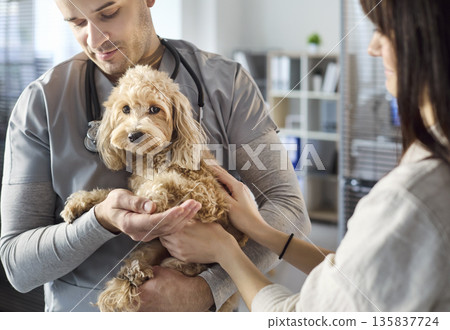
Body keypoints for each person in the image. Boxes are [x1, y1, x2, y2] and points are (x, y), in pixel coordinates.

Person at [0, 0, 309, 312]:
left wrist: (207, 287)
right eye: (77, 23)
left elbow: (290, 211)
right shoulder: (41, 102)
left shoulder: (228, 84)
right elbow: (18, 266)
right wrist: (100, 221)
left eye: (108, 13)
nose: (95, 40)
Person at [161, 0, 450, 312]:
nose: (373, 47)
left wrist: (225, 250)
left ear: (428, 39)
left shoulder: (409, 197)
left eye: (384, 30)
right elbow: (350, 275)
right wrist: (260, 230)